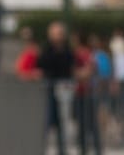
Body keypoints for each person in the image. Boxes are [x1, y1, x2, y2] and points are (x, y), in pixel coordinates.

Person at [38, 20, 77, 155]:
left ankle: (63, 150)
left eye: (60, 33)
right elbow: (42, 67)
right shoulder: (46, 50)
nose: (58, 36)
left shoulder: (68, 51)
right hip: (49, 93)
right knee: (47, 123)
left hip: (65, 91)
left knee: (64, 124)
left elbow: (71, 68)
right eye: (55, 33)